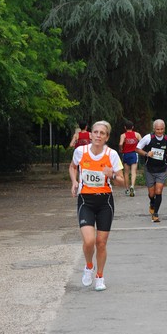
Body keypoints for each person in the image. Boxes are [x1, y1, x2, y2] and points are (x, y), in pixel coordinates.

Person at [69, 120, 124, 291]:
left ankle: (100, 276)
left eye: (102, 133)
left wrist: (112, 175)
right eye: (96, 132)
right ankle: (88, 266)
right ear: (91, 134)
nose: (98, 135)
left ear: (107, 137)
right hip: (85, 200)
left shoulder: (112, 155)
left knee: (101, 242)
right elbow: (72, 167)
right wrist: (74, 182)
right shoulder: (80, 151)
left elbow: (123, 181)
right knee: (89, 241)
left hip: (105, 201)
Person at [135, 119, 167, 222]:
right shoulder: (148, 138)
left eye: (161, 129)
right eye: (157, 129)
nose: (160, 131)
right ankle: (152, 202)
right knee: (151, 193)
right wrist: (147, 154)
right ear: (154, 129)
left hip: (162, 169)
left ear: (164, 129)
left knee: (158, 191)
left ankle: (155, 213)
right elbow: (137, 149)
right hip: (150, 169)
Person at [118, 121, 141, 196]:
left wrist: (121, 149)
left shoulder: (123, 135)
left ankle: (127, 189)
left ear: (125, 127)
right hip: (134, 153)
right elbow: (142, 142)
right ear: (132, 127)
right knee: (133, 172)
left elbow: (121, 144)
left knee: (126, 173)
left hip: (126, 154)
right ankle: (132, 186)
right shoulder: (137, 134)